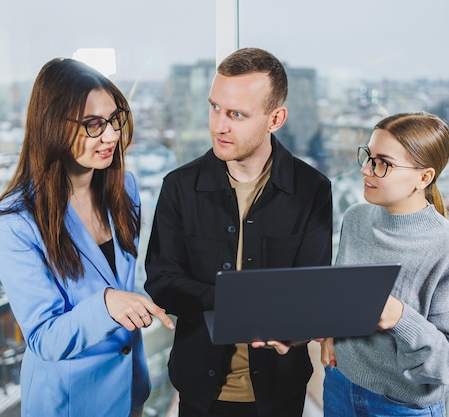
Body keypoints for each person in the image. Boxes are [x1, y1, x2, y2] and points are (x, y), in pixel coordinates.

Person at [144, 47, 333, 417]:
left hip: (280, 396)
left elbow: (311, 290)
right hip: (199, 395)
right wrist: (236, 302)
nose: (219, 125)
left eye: (236, 114)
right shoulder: (179, 186)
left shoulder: (312, 190)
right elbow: (162, 281)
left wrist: (295, 331)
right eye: (215, 107)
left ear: (275, 118)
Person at [0, 58, 174, 417]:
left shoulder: (124, 188)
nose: (112, 135)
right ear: (53, 126)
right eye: (93, 125)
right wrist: (107, 304)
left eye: (115, 119)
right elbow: (43, 338)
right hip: (69, 404)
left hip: (129, 393)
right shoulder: (15, 221)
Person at [321, 112, 449, 416]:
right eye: (368, 156)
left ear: (424, 177)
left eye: (383, 163)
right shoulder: (356, 218)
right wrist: (330, 337)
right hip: (340, 385)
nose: (367, 170)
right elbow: (340, 299)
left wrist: (400, 318)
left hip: (401, 407)